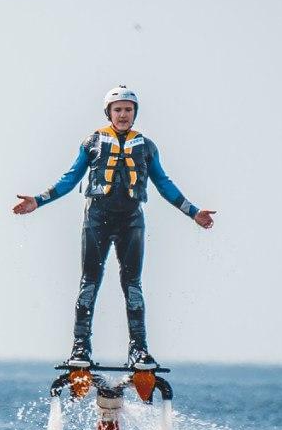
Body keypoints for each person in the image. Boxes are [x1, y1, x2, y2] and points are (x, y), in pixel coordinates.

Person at [12, 86, 215, 369]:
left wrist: (193, 212)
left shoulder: (146, 146)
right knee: (89, 283)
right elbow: (70, 179)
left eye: (128, 110)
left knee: (133, 286)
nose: (123, 115)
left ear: (135, 113)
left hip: (131, 221)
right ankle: (80, 348)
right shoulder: (92, 142)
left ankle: (139, 350)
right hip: (97, 219)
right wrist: (38, 200)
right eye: (117, 110)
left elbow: (163, 183)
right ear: (108, 112)